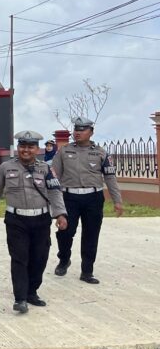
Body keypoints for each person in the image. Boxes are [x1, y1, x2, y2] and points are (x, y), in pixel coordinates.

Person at [0, 131, 68, 313]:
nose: (26, 150)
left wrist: (61, 214)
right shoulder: (6, 168)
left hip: (41, 219)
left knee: (40, 258)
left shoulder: (46, 169)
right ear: (18, 148)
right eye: (23, 146)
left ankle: (32, 292)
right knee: (19, 258)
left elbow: (55, 191)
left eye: (30, 147)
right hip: (16, 220)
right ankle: (20, 298)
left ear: (37, 149)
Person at [52, 117, 124, 284]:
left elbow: (110, 177)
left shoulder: (100, 152)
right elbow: (54, 177)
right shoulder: (64, 151)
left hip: (93, 198)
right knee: (65, 232)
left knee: (91, 234)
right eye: (76, 129)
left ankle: (87, 271)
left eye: (82, 129)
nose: (77, 132)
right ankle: (64, 259)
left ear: (91, 132)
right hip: (69, 197)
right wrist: (54, 203)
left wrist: (117, 200)